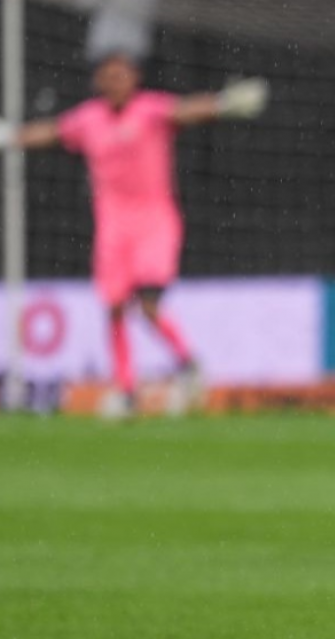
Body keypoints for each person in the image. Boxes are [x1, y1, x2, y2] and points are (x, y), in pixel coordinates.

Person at [0, 53, 268, 417]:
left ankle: (188, 364)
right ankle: (126, 391)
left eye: (121, 75)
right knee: (113, 308)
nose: (115, 82)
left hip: (155, 221)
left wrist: (222, 104)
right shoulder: (88, 119)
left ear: (134, 78)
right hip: (112, 227)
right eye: (109, 76)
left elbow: (187, 110)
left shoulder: (150, 110)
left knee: (147, 304)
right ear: (100, 81)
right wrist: (12, 137)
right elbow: (52, 131)